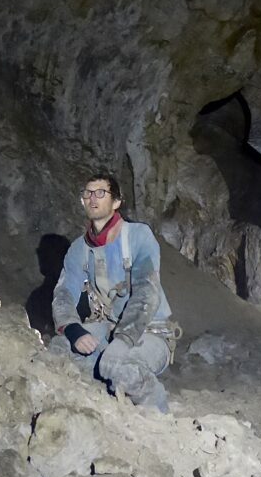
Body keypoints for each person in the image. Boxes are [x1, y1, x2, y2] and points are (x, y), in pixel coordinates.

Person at [49, 171, 178, 413]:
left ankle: (158, 416)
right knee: (60, 349)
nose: (92, 198)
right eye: (87, 193)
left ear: (116, 201)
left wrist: (124, 340)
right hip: (106, 327)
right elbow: (64, 292)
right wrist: (73, 329)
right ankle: (88, 408)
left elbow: (146, 291)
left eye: (100, 193)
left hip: (148, 331)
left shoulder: (138, 236)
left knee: (124, 371)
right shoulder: (79, 249)